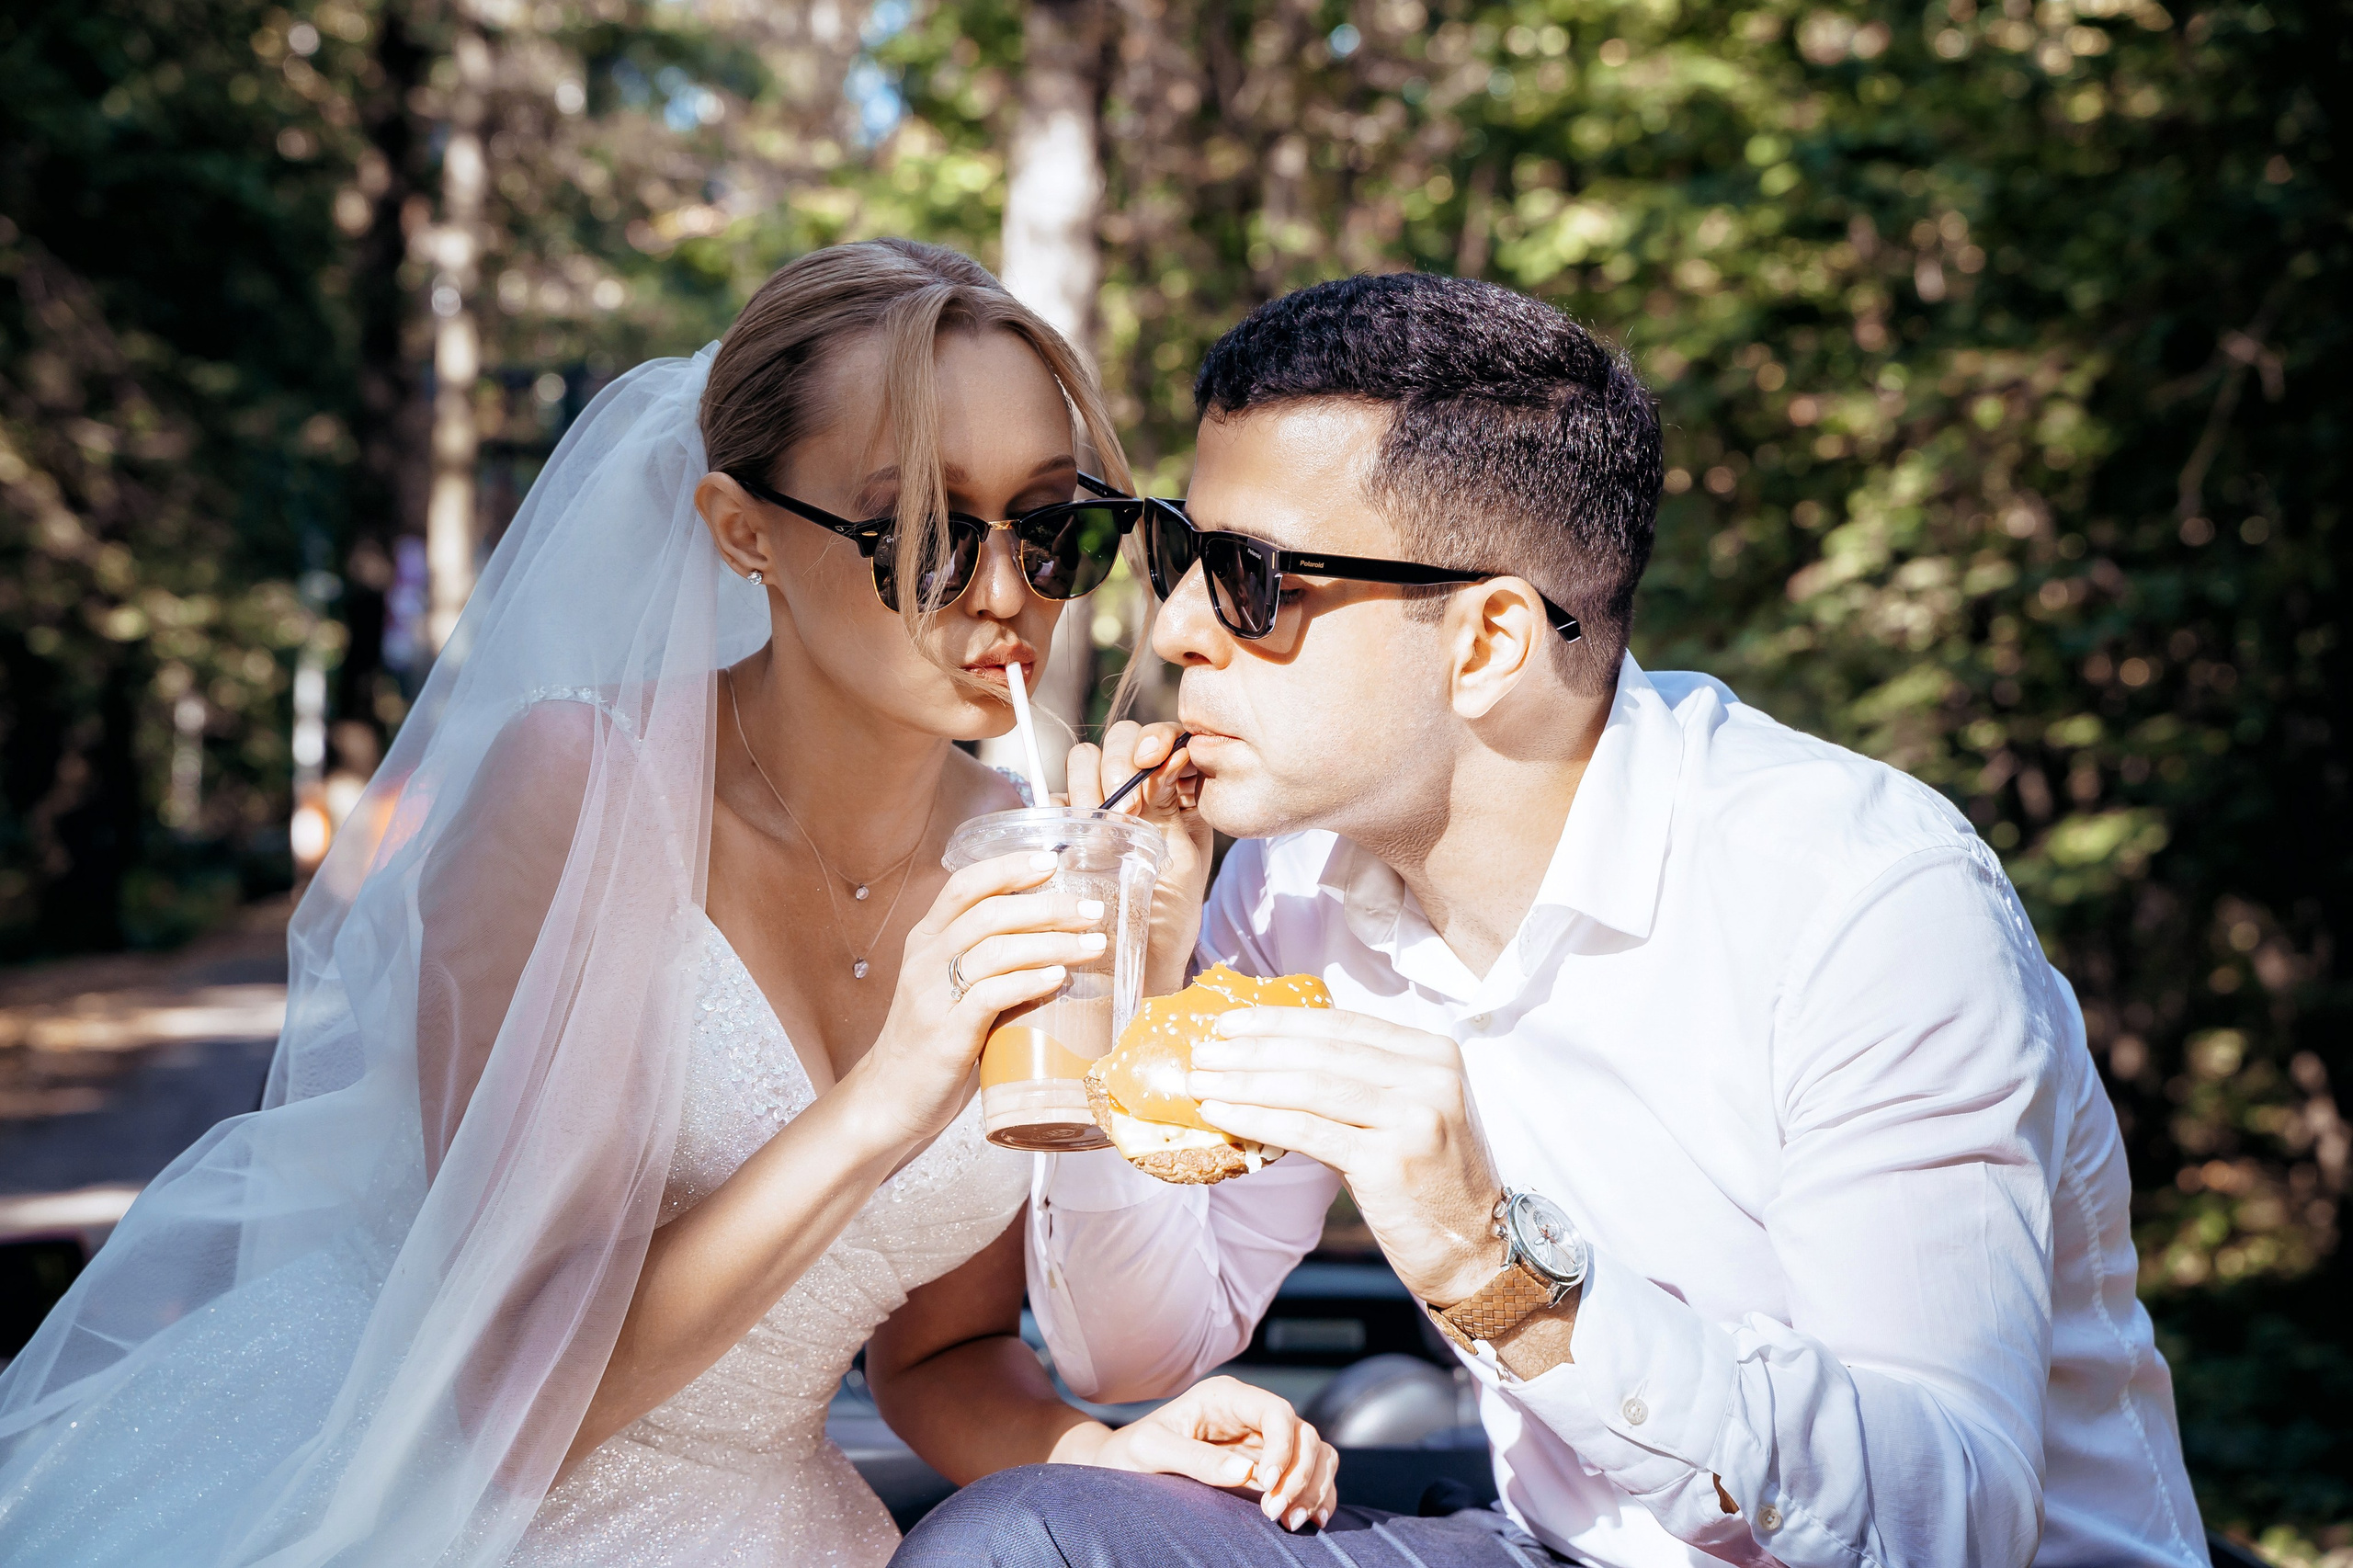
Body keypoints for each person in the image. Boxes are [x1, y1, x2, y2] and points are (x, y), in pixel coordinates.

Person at [0, 240, 1336, 1567]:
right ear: (742, 529)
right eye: (923, 537)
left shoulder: (1022, 848)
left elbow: (942, 1349)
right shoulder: (576, 790)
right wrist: (887, 1098)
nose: (1005, 595)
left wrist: (1108, 1449)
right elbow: (503, 1390)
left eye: (1055, 530)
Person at [894, 273, 2210, 1568]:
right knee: (1020, 1542)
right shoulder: (1291, 878)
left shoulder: (1862, 900)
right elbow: (1134, 1348)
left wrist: (1501, 1266)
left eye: (1251, 579)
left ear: (1488, 644)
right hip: (1554, 1547)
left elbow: (1955, 1521)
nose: (1176, 623)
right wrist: (1136, 969)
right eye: (1182, 550)